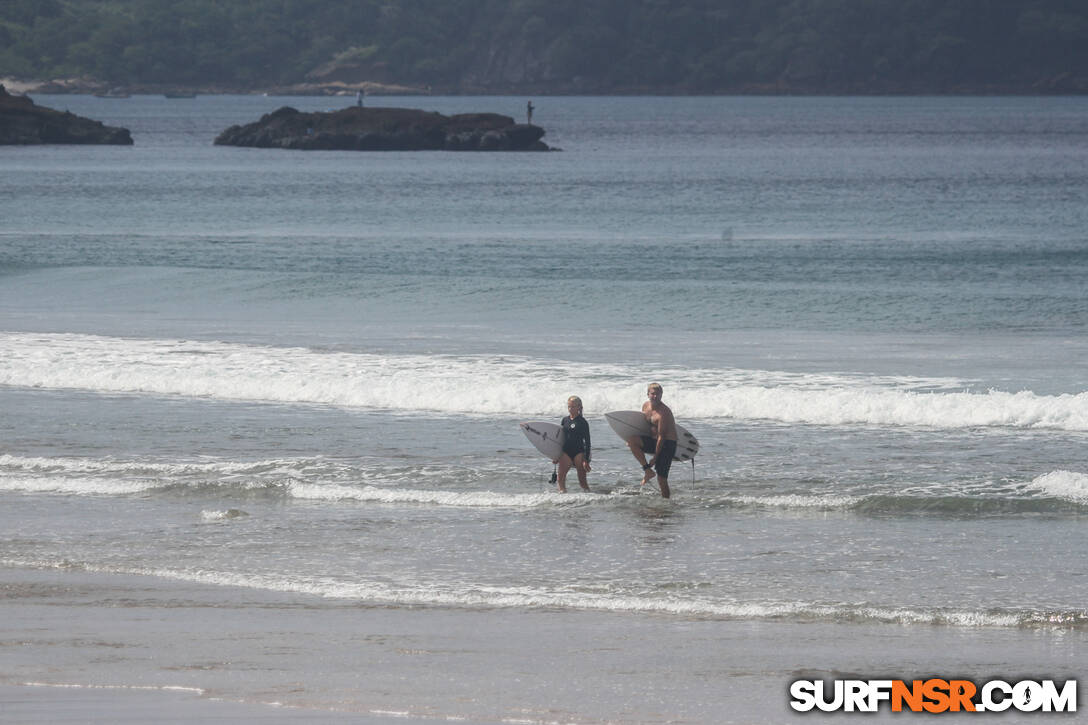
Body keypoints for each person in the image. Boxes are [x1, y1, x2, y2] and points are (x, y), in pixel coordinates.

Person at [625, 382, 677, 498]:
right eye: (653, 394)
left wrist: (655, 457)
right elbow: (644, 425)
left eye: (658, 394)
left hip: (667, 444)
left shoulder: (664, 413)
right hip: (654, 440)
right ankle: (648, 471)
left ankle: (666, 502)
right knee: (632, 441)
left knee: (661, 478)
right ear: (648, 394)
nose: (655, 396)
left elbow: (662, 436)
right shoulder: (645, 406)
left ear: (662, 395)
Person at [555, 395, 591, 493]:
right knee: (560, 479)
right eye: (569, 407)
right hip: (566, 452)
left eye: (573, 407)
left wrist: (586, 460)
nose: (570, 409)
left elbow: (587, 442)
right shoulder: (565, 420)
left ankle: (589, 496)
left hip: (578, 452)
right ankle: (563, 495)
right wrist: (556, 456)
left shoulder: (583, 422)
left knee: (582, 482)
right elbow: (560, 438)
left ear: (579, 407)